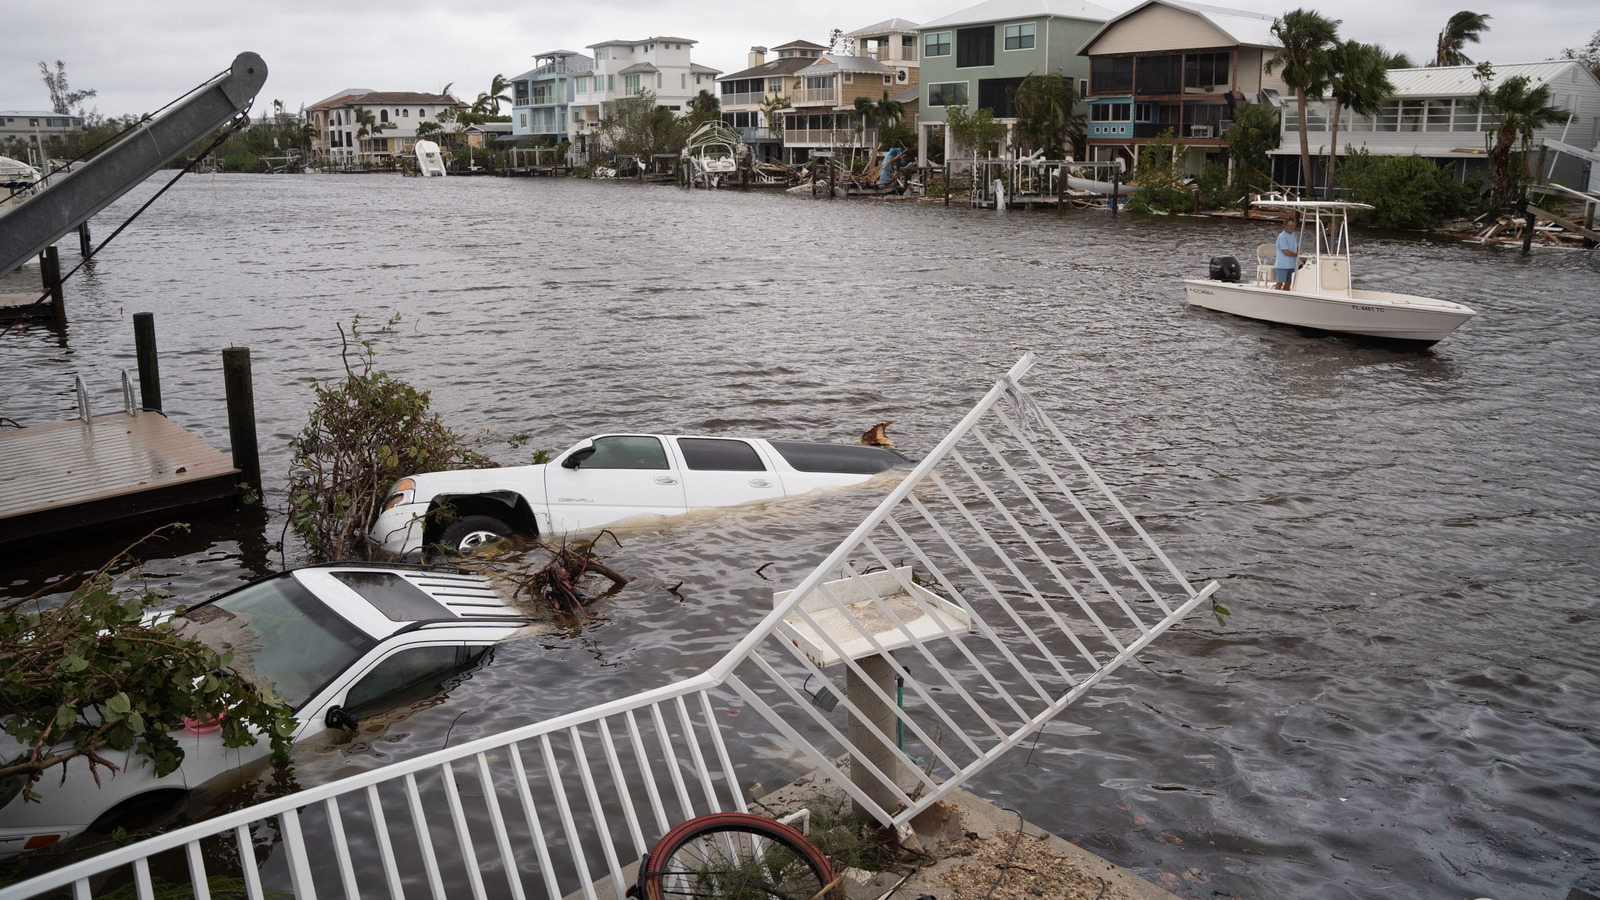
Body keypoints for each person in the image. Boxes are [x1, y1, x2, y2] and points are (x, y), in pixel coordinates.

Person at [1274, 217, 1299, 290]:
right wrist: (1297, 255)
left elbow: (1297, 247)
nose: (1291, 227)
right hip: (1282, 265)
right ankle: (1276, 297)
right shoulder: (1282, 236)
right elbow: (1286, 252)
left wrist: (1300, 255)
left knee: (1289, 283)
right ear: (1285, 226)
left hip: (1292, 264)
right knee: (1279, 283)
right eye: (1290, 225)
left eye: (1293, 225)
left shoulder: (1294, 235)